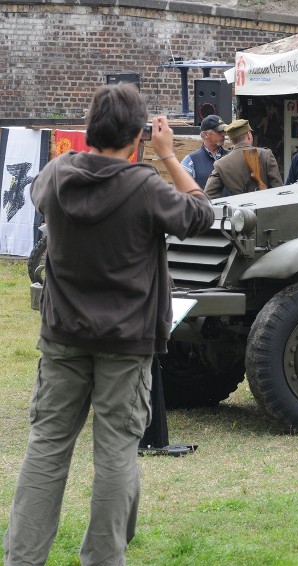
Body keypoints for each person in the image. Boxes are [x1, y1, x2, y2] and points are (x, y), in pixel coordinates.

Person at [3, 83, 214, 565]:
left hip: (63, 336)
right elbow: (200, 213)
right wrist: (168, 155)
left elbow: (40, 199)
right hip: (127, 341)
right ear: (137, 136)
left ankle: (22, 558)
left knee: (47, 448)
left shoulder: (56, 174)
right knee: (117, 452)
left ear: (90, 127)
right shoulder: (145, 186)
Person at [204, 118, 283, 198]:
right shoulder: (266, 155)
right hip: (265, 209)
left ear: (231, 140)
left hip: (238, 210)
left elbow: (208, 196)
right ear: (249, 134)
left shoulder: (220, 164)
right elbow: (279, 191)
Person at [180, 114, 229, 189]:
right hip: (204, 201)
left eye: (224, 131)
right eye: (219, 131)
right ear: (205, 134)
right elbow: (183, 191)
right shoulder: (190, 161)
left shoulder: (230, 156)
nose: (223, 134)